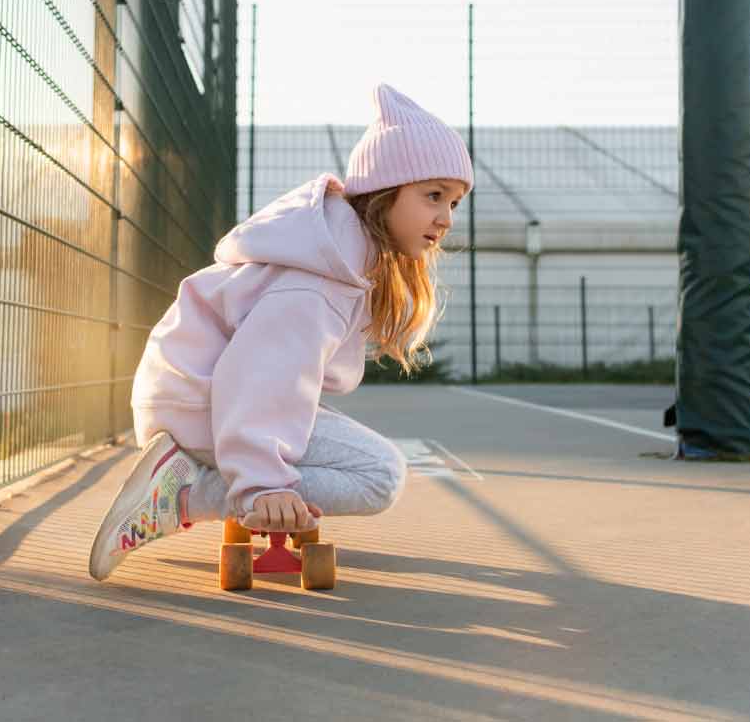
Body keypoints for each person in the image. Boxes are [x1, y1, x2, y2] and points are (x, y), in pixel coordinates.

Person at [88, 83, 473, 582]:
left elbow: (273, 375)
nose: (445, 218)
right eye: (433, 196)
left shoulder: (337, 254)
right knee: (379, 475)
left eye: (455, 203)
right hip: (197, 404)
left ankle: (198, 482)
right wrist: (262, 485)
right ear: (384, 191)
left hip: (191, 396)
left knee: (360, 456)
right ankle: (184, 496)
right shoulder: (316, 283)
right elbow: (258, 377)